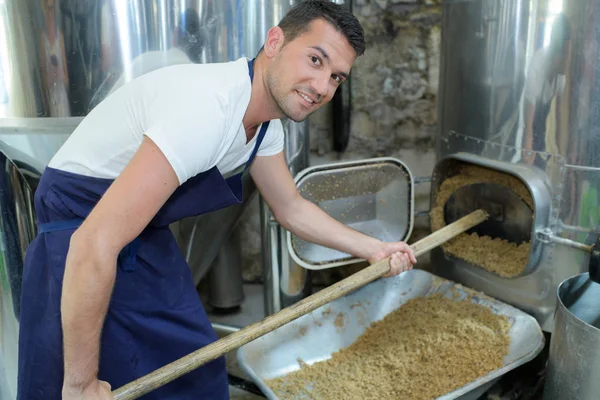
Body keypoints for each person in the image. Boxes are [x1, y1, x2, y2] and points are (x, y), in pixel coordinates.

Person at [17, 1, 416, 399]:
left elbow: (291, 208)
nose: (323, 87)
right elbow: (94, 242)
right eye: (315, 60)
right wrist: (80, 384)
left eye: (336, 78)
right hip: (78, 229)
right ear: (274, 41)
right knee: (88, 380)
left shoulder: (265, 125)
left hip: (141, 234)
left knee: (197, 373)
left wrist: (375, 249)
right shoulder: (207, 109)